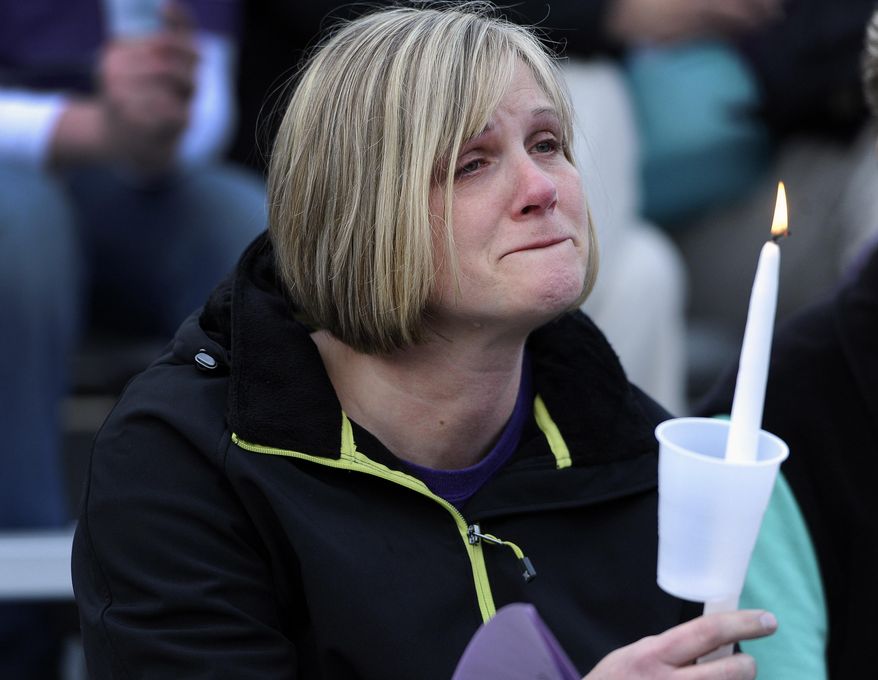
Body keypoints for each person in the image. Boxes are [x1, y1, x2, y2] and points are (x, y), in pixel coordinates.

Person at [73, 5, 777, 678]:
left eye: (547, 144)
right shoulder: (187, 463)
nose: (542, 188)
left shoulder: (629, 453)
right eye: (473, 162)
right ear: (359, 210)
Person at [0, 0, 264, 675]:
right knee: (19, 231)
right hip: (22, 177)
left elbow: (204, 108)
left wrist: (151, 118)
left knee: (249, 229)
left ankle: (233, 578)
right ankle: (21, 611)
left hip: (135, 179)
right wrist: (91, 127)